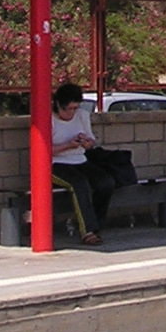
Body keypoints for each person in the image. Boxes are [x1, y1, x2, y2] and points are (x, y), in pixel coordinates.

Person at [49, 82, 113, 246]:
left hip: (80, 159)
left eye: (75, 108)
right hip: (57, 163)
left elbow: (91, 142)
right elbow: (44, 150)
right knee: (79, 184)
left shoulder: (82, 115)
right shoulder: (49, 119)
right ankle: (87, 231)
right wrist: (67, 145)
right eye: (68, 109)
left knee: (105, 183)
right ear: (58, 105)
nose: (71, 113)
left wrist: (85, 143)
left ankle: (97, 224)